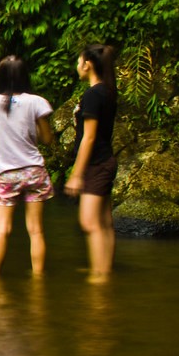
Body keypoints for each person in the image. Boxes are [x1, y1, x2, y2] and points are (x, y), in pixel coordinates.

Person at [0, 55, 54, 276]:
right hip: (34, 172)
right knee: (36, 230)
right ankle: (38, 278)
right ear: (24, 77)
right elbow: (47, 139)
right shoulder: (37, 102)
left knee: (1, 230)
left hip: (4, 174)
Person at [64, 44, 117, 281]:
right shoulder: (107, 91)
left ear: (88, 64)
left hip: (96, 164)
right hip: (106, 160)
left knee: (89, 222)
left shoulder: (93, 94)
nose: (77, 66)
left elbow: (89, 137)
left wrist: (76, 174)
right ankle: (104, 270)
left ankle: (99, 277)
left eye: (79, 62)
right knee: (104, 222)